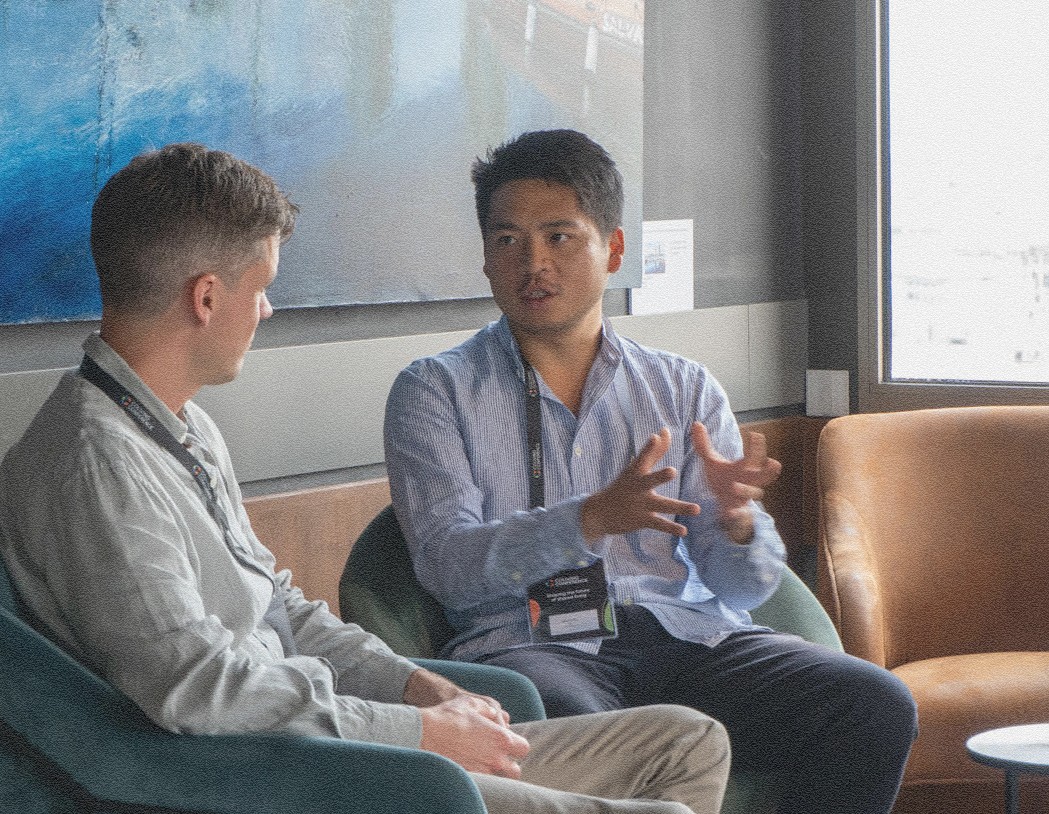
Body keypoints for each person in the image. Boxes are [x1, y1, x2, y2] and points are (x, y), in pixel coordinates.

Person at [0, 143, 731, 814]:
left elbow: (277, 604)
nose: (267, 309)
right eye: (261, 288)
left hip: (341, 741)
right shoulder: (97, 464)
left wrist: (415, 686)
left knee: (688, 742)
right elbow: (198, 689)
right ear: (206, 297)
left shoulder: (178, 425)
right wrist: (413, 731)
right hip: (292, 777)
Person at [384, 129, 919, 814]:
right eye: (507, 240)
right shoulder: (434, 390)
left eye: (559, 237)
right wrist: (585, 522)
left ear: (612, 250)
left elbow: (743, 590)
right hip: (533, 644)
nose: (532, 264)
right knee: (576, 726)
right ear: (486, 260)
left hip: (685, 634)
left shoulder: (683, 388)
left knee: (871, 702)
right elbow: (444, 566)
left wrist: (733, 523)